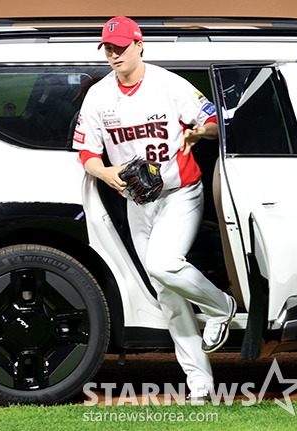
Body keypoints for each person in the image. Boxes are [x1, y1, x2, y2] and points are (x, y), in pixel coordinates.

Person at [72, 16, 237, 401]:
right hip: (137, 202)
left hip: (181, 194)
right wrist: (107, 172)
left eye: (121, 47)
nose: (114, 55)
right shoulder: (99, 96)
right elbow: (86, 152)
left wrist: (199, 132)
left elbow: (214, 120)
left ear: (139, 44)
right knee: (167, 293)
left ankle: (221, 306)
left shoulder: (168, 84)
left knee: (163, 264)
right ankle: (200, 385)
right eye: (108, 49)